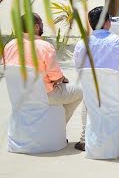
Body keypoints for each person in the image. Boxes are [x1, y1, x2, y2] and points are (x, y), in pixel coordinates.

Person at [4, 12, 85, 150]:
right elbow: (55, 77)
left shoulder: (10, 45)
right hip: (44, 95)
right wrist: (62, 79)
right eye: (41, 23)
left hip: (18, 95)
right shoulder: (44, 46)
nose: (42, 26)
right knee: (79, 92)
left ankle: (50, 128)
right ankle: (56, 129)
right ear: (36, 27)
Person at [73, 6, 119, 70]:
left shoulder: (81, 44)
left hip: (89, 79)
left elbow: (77, 64)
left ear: (90, 23)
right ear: (107, 22)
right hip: (114, 79)